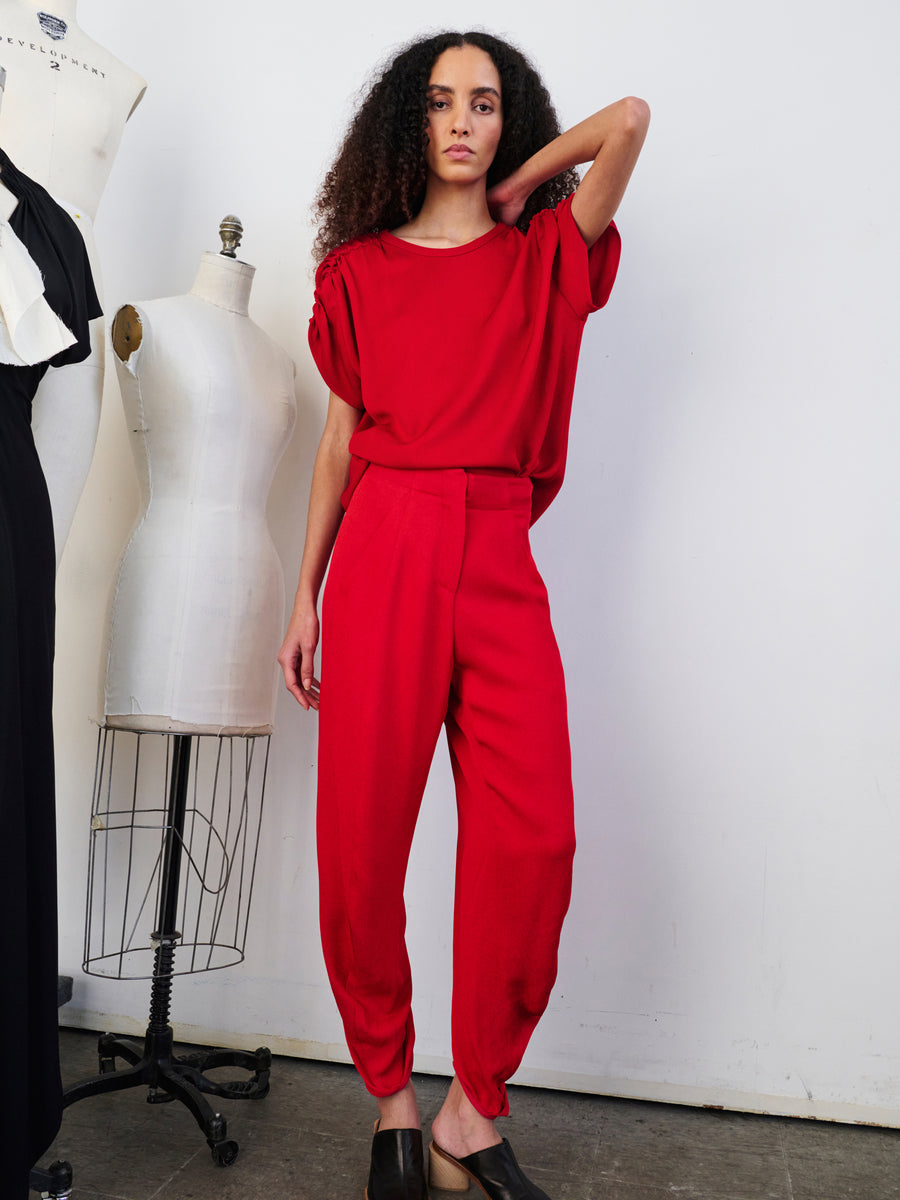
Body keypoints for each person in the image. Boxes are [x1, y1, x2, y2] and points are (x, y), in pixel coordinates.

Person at [278, 30, 649, 1200]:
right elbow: (339, 443)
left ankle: (470, 1112)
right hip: (383, 548)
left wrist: (527, 178)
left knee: (534, 837)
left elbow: (630, 120)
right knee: (360, 842)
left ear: (508, 122)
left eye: (484, 104)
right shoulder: (358, 275)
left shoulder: (547, 256)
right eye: (438, 102)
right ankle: (390, 1099)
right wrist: (306, 593)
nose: (460, 120)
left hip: (495, 551)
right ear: (406, 120)